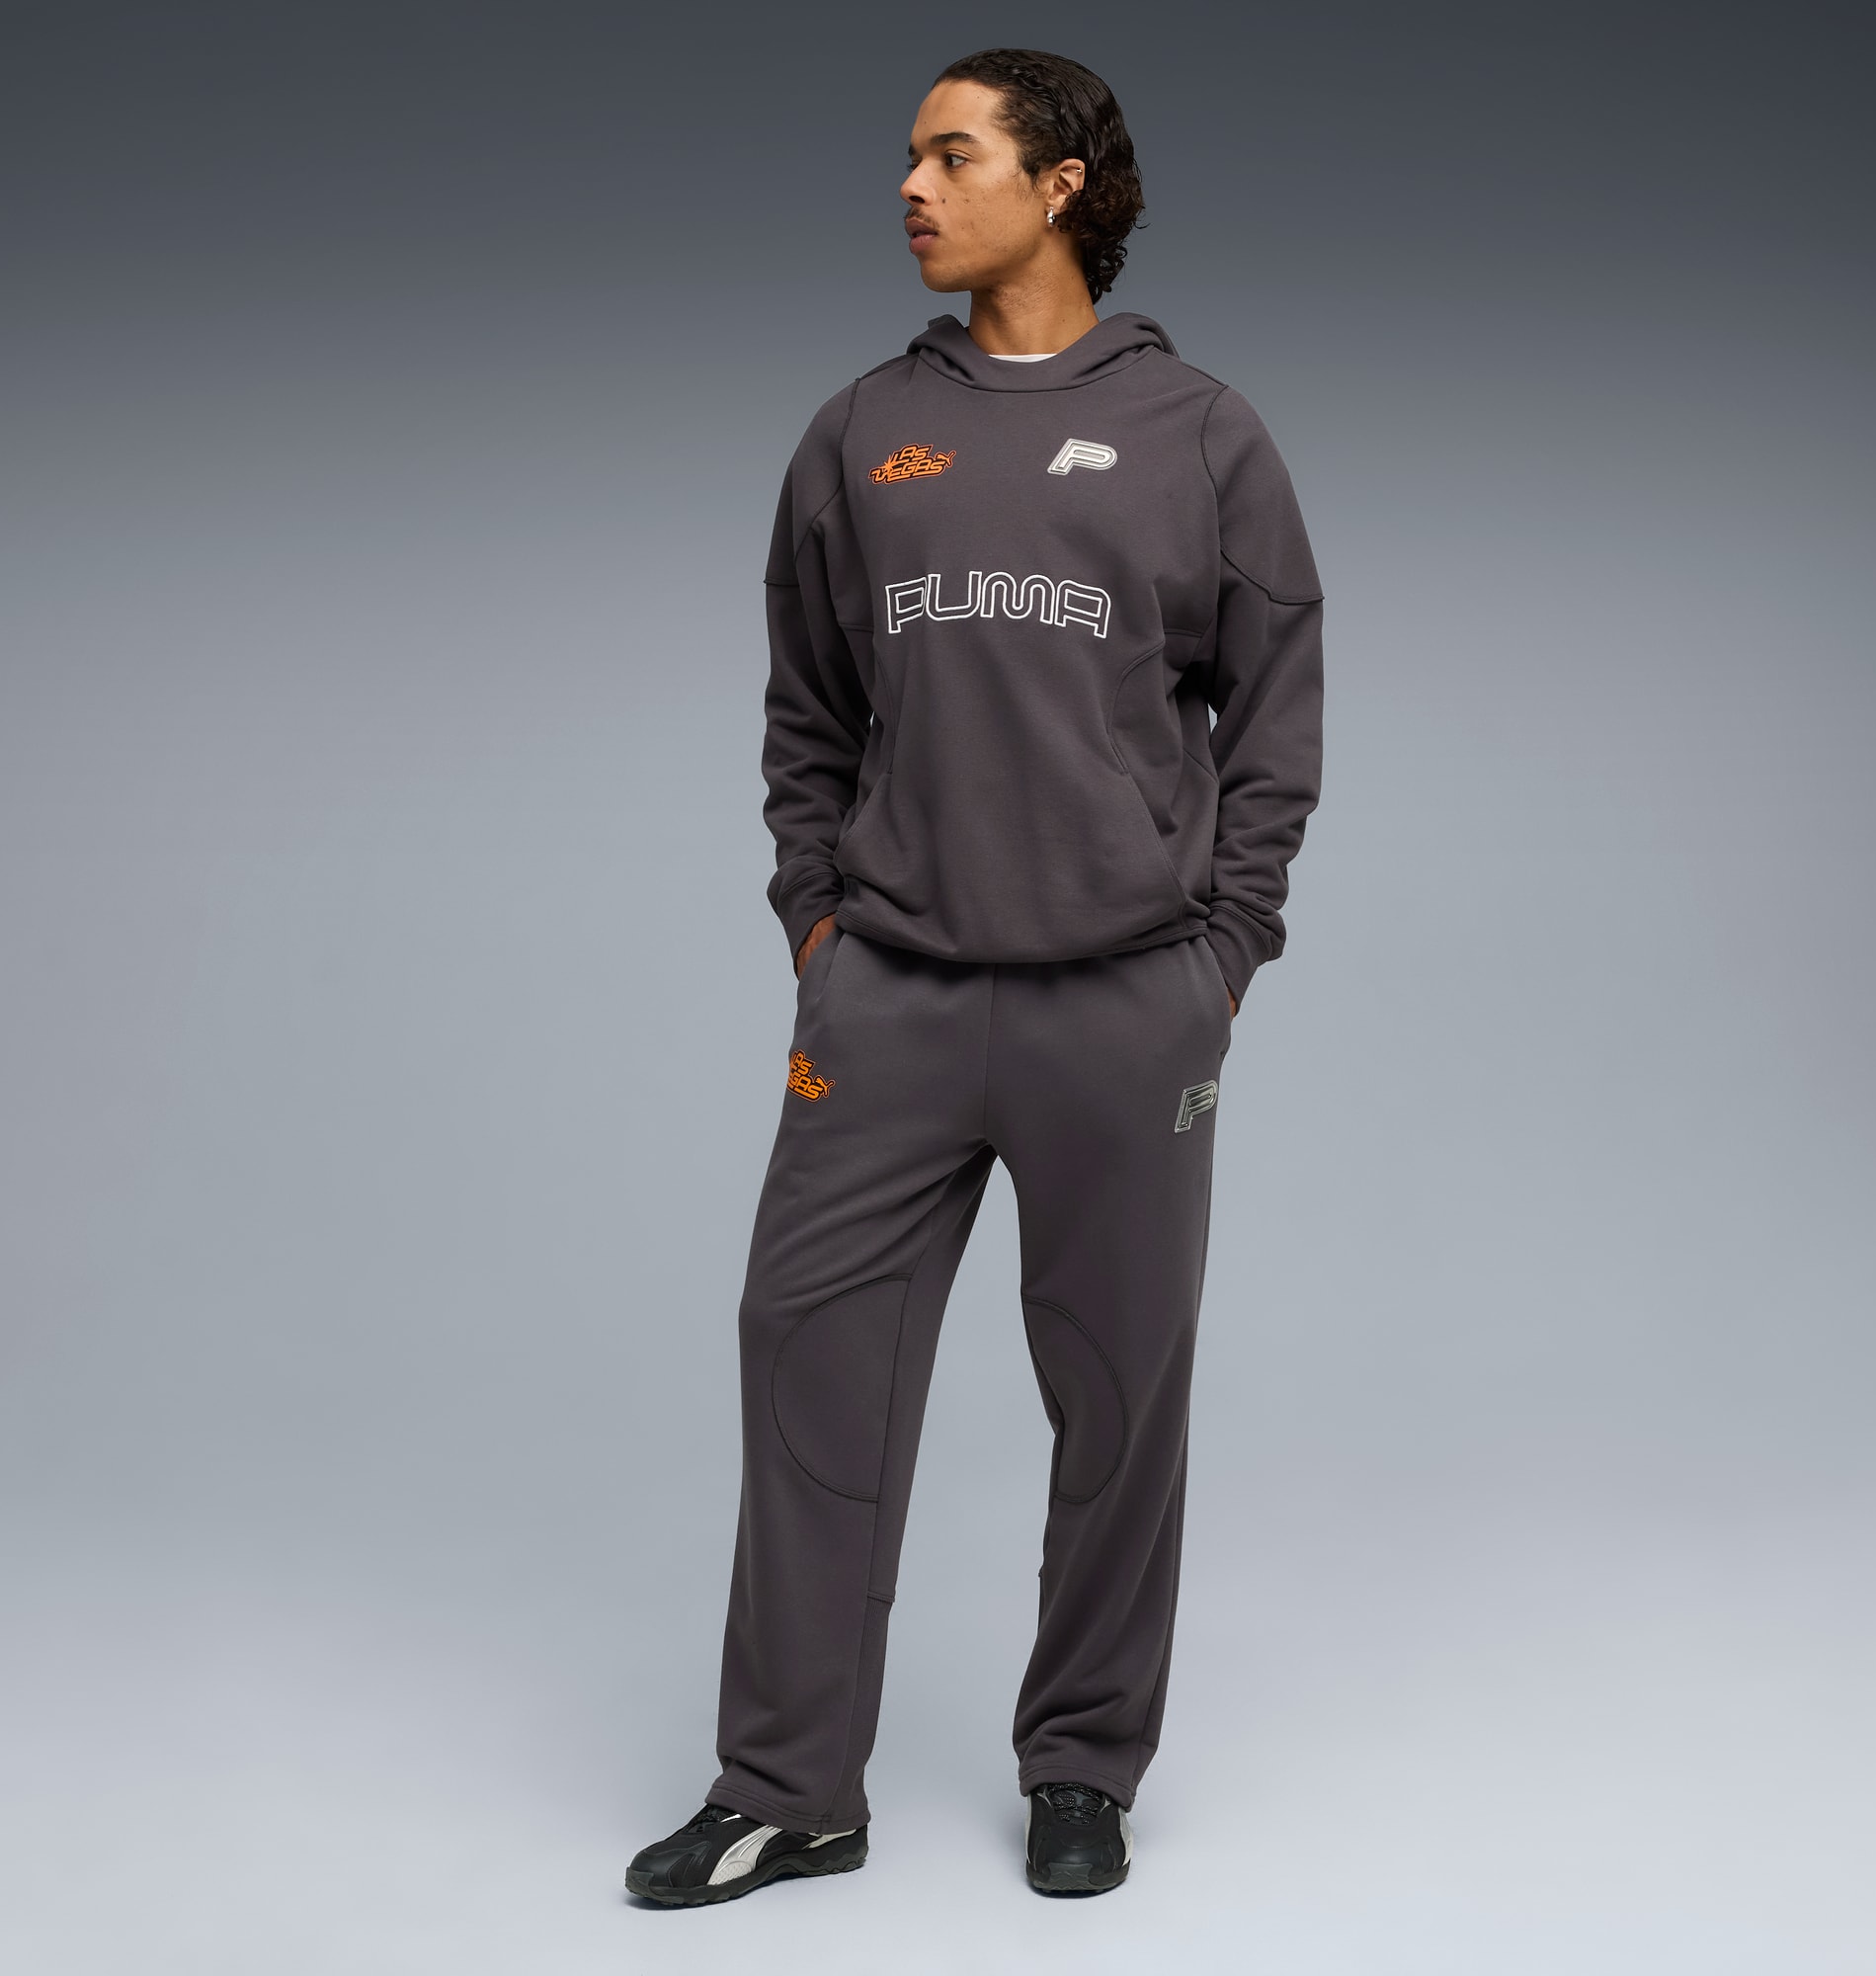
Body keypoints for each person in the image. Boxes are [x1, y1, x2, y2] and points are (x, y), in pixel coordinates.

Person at [625, 45, 1323, 1906]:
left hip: (1128, 1006)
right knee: (807, 1363)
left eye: (952, 154)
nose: (914, 189)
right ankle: (790, 1787)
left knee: (1118, 1396)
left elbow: (1275, 719)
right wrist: (817, 925)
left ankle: (1083, 1763)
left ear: (1062, 181)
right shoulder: (862, 432)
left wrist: (1227, 950)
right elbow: (807, 711)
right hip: (893, 1003)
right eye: (912, 159)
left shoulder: (1201, 433)